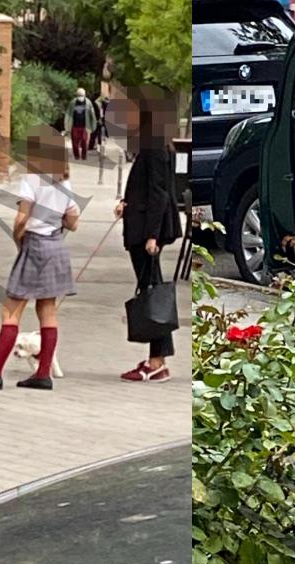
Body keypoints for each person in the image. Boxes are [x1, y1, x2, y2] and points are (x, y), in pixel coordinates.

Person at [0, 127, 80, 390]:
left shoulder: (32, 180)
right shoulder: (65, 182)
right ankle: (43, 373)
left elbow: (21, 219)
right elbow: (73, 222)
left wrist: (18, 238)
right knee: (47, 311)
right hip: (56, 246)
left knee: (11, 309)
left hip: (35, 246)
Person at [114, 91, 183, 383]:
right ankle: (158, 360)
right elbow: (147, 189)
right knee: (152, 289)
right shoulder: (155, 144)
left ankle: (156, 362)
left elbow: (159, 192)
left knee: (153, 292)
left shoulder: (154, 146)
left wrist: (152, 235)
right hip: (142, 224)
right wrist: (126, 203)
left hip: (145, 231)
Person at [63, 88, 97, 161]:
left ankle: (84, 156)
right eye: (79, 95)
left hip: (84, 126)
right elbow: (68, 115)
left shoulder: (88, 103)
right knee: (74, 142)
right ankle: (77, 156)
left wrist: (93, 125)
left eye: (82, 95)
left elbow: (92, 114)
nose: (80, 97)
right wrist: (67, 126)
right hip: (74, 126)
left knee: (84, 142)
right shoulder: (72, 103)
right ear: (77, 95)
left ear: (84, 95)